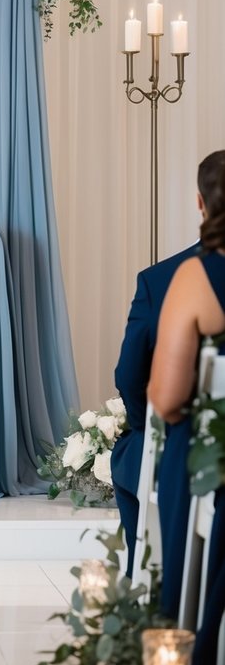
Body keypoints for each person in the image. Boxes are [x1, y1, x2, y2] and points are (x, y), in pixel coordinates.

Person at [112, 151, 225, 582]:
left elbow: (134, 378)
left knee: (130, 453)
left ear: (201, 203)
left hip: (204, 458)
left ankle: (149, 585)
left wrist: (147, 428)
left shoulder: (167, 279)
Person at [149, 153, 225, 665]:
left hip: (218, 469)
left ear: (201, 204)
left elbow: (167, 397)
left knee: (184, 438)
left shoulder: (196, 277)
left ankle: (182, 638)